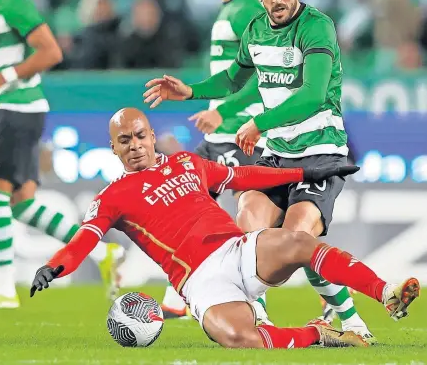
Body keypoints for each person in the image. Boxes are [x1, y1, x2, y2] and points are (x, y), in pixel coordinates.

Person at [30, 108, 420, 350]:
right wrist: (54, 266)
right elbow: (84, 239)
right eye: (124, 140)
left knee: (299, 241)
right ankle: (319, 336)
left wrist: (305, 172)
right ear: (113, 148)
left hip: (239, 251)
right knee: (238, 339)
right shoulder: (112, 196)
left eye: (140, 135)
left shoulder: (187, 162)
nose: (135, 145)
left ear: (151, 135)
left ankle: (384, 292)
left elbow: (244, 174)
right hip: (200, 283)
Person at [143, 0, 374, 341]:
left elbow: (314, 93)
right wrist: (190, 92)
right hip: (278, 151)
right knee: (248, 220)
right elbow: (234, 78)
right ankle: (259, 316)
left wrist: (257, 122)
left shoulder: (317, 27)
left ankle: (353, 321)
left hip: (320, 148)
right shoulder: (255, 30)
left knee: (296, 239)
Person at [0, 0, 122, 309]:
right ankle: (103, 254)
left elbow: (51, 51)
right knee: (20, 204)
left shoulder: (14, 1)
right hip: (13, 108)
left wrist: (1, 80)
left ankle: (3, 290)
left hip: (18, 106)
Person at [161, 0, 268, 320]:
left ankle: (258, 309)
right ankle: (178, 296)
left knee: (250, 223)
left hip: (242, 134)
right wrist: (195, 93)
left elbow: (265, 77)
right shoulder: (228, 10)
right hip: (222, 134)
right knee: (189, 204)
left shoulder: (248, 12)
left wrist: (223, 110)